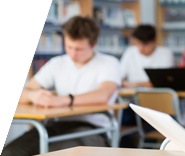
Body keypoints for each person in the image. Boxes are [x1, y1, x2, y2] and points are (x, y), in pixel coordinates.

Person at [2, 16, 122, 156]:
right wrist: (33, 95)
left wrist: (62, 100)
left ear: (93, 45)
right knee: (10, 152)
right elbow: (23, 92)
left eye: (79, 49)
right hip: (56, 125)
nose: (73, 54)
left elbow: (103, 95)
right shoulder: (57, 63)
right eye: (69, 47)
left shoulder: (108, 63)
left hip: (93, 128)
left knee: (57, 152)